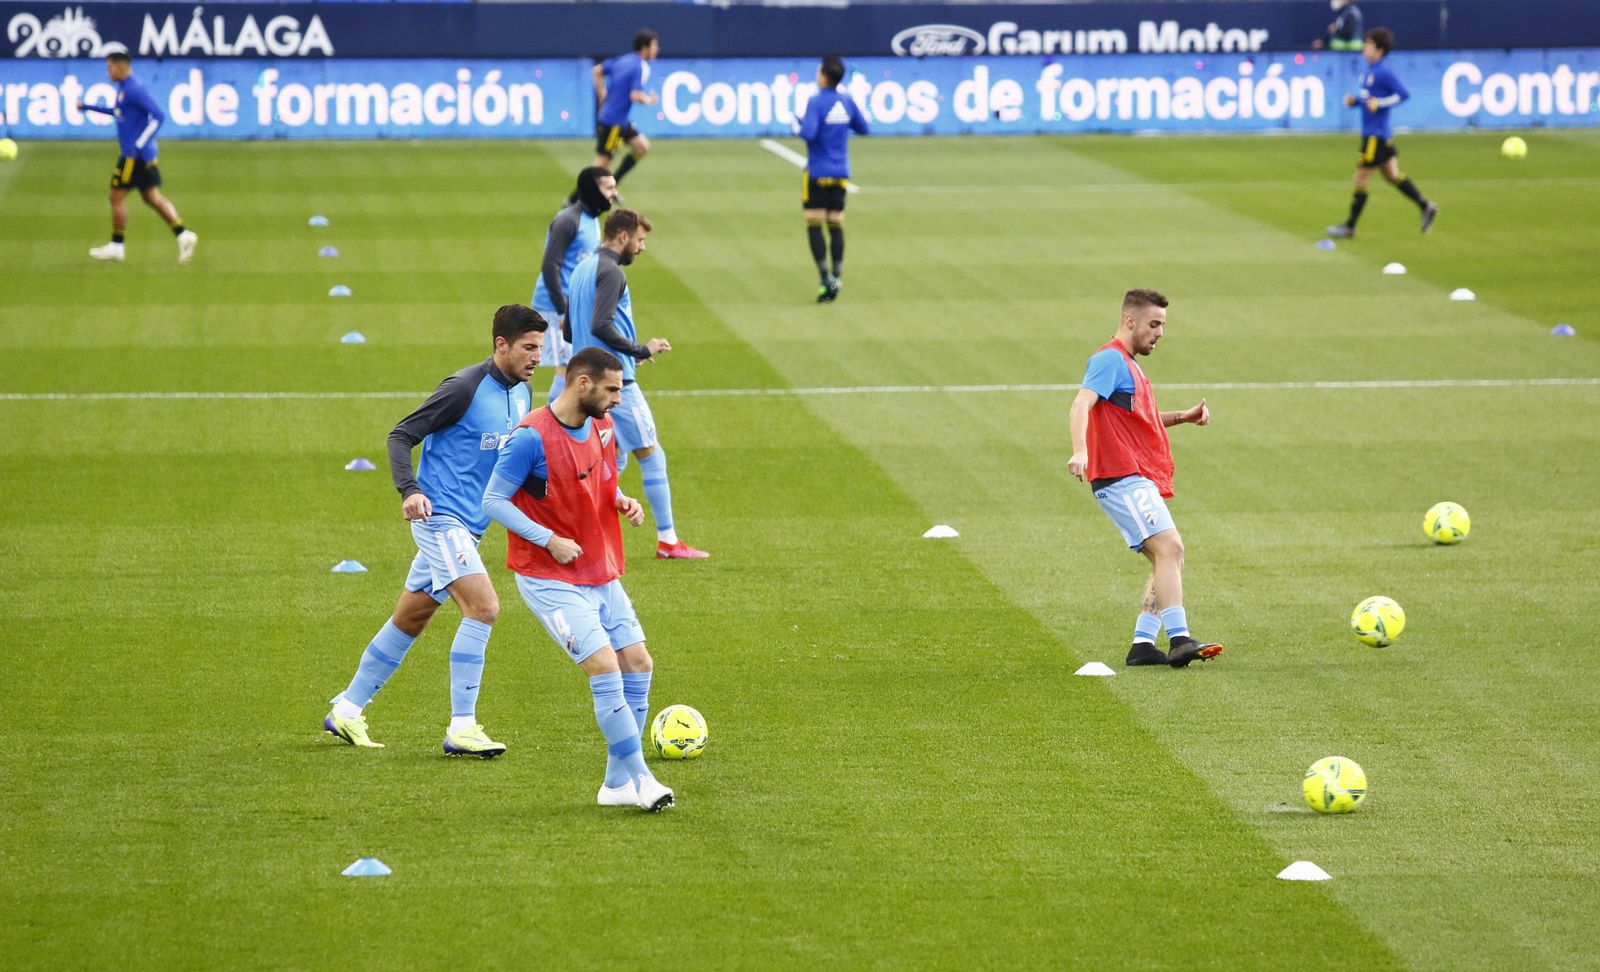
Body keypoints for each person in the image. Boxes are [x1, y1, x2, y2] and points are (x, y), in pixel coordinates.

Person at [323, 305, 545, 755]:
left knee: (411, 618)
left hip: (470, 528)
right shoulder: (463, 388)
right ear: (501, 344)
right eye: (529, 347)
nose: (537, 357)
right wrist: (410, 490)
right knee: (483, 607)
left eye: (540, 347)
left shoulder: (523, 392)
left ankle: (346, 710)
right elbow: (401, 435)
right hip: (440, 518)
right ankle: (462, 727)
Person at [481, 347, 675, 812]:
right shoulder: (531, 437)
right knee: (605, 667)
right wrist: (547, 539)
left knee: (638, 663)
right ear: (582, 382)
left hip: (599, 570)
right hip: (549, 576)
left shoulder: (603, 426)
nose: (619, 399)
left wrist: (622, 499)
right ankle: (643, 780)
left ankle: (615, 785)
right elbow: (493, 500)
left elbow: (601, 478)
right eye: (612, 389)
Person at [1067, 289, 1223, 669]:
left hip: (1132, 475)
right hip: (1120, 476)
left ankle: (1142, 644)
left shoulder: (1130, 366)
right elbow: (1081, 403)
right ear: (1129, 320)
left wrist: (1183, 417)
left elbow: (1142, 419)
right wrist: (1080, 450)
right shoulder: (1109, 359)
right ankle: (1180, 640)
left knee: (1164, 555)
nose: (1160, 333)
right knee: (1170, 547)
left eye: (1162, 326)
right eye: (1154, 325)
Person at [567, 208, 709, 560]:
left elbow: (570, 329)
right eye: (640, 239)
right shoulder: (612, 272)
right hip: (616, 384)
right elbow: (601, 325)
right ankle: (668, 541)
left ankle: (586, 534)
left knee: (609, 460)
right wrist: (639, 349)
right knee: (651, 453)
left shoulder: (582, 267)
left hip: (586, 378)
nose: (642, 247)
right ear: (623, 237)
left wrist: (626, 353)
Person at [77, 43, 198, 265]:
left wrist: (139, 144)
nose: (107, 72)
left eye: (109, 67)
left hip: (134, 157)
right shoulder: (125, 88)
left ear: (120, 67)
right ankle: (183, 235)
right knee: (152, 197)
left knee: (115, 196)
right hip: (142, 156)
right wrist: (88, 107)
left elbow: (159, 116)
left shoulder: (133, 89)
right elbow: (118, 112)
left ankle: (117, 245)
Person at [1326, 28, 1438, 239]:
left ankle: (1350, 226)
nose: (1364, 47)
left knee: (1360, 178)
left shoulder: (1384, 72)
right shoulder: (1368, 71)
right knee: (1392, 175)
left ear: (1380, 50)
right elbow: (1368, 100)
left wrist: (1381, 103)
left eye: (1368, 44)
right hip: (1379, 134)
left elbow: (1403, 94)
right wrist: (1355, 102)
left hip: (1375, 136)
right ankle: (1425, 206)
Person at [535, 167, 616, 404]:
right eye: (609, 187)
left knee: (577, 367)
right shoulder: (568, 221)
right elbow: (550, 265)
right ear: (593, 189)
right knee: (567, 370)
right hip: (555, 307)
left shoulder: (592, 220)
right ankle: (552, 421)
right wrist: (563, 310)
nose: (614, 193)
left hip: (575, 307)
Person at [797, 56, 869, 304]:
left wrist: (798, 124)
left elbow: (808, 133)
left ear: (824, 76)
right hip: (840, 173)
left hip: (818, 172)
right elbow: (864, 128)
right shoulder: (846, 100)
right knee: (836, 224)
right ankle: (837, 276)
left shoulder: (816, 101)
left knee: (814, 224)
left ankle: (824, 278)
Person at [579, 29, 660, 202]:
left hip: (620, 121)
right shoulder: (640, 67)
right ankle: (574, 199)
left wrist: (602, 94)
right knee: (601, 164)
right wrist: (650, 100)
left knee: (642, 147)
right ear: (644, 47)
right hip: (613, 123)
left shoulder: (623, 60)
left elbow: (597, 70)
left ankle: (612, 187)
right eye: (654, 46)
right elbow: (635, 95)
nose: (657, 50)